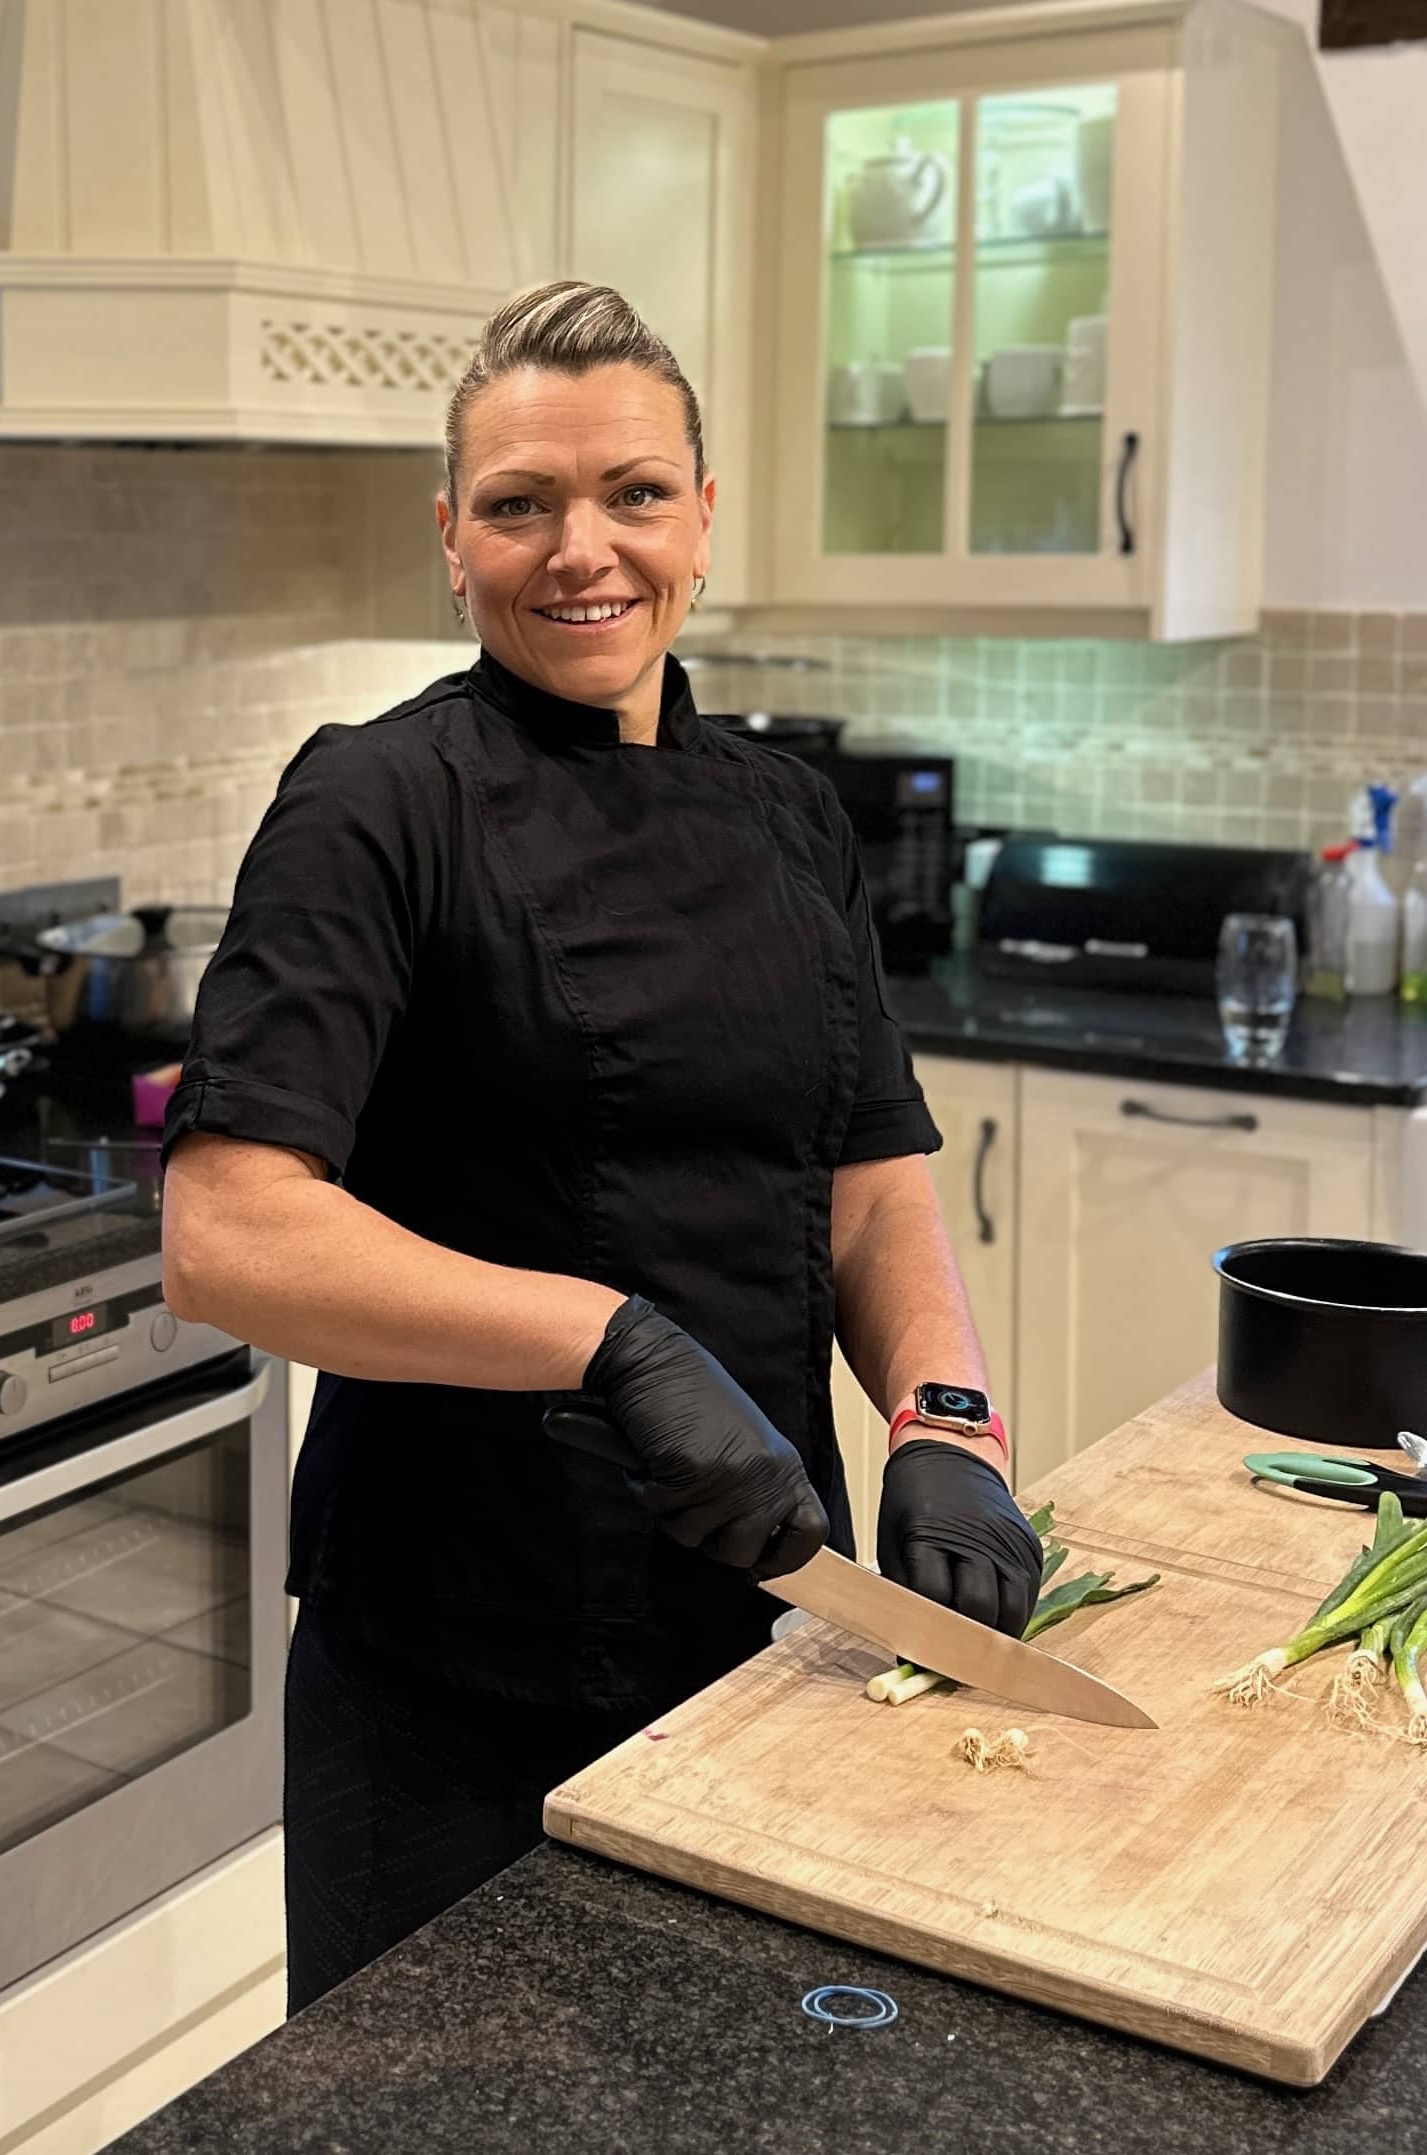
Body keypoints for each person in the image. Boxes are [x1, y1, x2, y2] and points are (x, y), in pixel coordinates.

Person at [160, 280, 1042, 2016]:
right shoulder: (376, 802)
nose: (584, 550)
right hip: (453, 1660)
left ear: (706, 514)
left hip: (760, 1623)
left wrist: (947, 1421)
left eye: (634, 493)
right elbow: (230, 1233)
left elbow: (866, 1175)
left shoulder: (787, 813)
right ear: (451, 537)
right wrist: (610, 1338)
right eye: (521, 505)